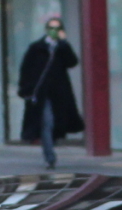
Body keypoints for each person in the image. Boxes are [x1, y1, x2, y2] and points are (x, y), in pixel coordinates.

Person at [17, 16, 82, 170]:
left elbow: (72, 62)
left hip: (59, 93)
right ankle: (50, 156)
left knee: (56, 122)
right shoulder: (36, 48)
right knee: (47, 122)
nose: (54, 31)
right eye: (51, 28)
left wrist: (64, 44)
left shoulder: (62, 47)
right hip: (41, 93)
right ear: (46, 30)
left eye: (57, 28)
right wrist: (25, 89)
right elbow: (25, 69)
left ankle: (52, 144)